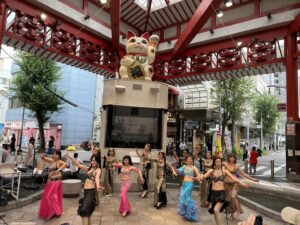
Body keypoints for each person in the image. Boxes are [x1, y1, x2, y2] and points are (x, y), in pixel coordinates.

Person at [199, 157, 248, 225]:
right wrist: (200, 177)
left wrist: (241, 183)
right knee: (215, 212)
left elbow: (233, 178)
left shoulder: (224, 171)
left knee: (216, 210)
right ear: (214, 163)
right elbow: (204, 176)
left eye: (219, 162)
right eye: (217, 162)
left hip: (221, 193)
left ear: (221, 163)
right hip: (213, 194)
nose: (218, 163)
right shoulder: (211, 171)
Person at [67, 154, 103, 225]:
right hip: (86, 192)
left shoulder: (98, 170)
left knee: (84, 211)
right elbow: (79, 165)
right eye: (92, 160)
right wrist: (71, 157)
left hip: (90, 192)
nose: (93, 162)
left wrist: (98, 185)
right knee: (87, 212)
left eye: (94, 161)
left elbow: (97, 178)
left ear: (98, 162)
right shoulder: (89, 169)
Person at [224, 153, 259, 220]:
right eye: (230, 157)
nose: (232, 158)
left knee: (233, 197)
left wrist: (252, 179)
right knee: (229, 198)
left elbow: (244, 174)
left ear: (235, 158)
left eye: (233, 157)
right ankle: (231, 214)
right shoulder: (225, 164)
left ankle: (238, 212)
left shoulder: (236, 166)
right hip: (227, 184)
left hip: (235, 184)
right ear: (228, 158)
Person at [39, 150, 67, 220]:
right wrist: (42, 155)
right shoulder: (52, 161)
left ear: (59, 155)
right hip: (50, 181)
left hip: (56, 182)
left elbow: (65, 164)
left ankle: (53, 212)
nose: (54, 155)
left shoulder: (59, 162)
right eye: (53, 154)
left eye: (56, 154)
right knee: (48, 197)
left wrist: (58, 170)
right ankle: (53, 211)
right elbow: (43, 158)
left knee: (50, 197)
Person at [173, 154, 201, 222]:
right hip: (184, 184)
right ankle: (188, 214)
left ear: (192, 160)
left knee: (183, 198)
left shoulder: (194, 167)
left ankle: (188, 213)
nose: (189, 160)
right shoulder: (184, 167)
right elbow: (178, 171)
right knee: (186, 199)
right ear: (186, 160)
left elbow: (199, 175)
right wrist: (174, 168)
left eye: (191, 159)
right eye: (188, 159)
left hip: (190, 184)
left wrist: (195, 178)